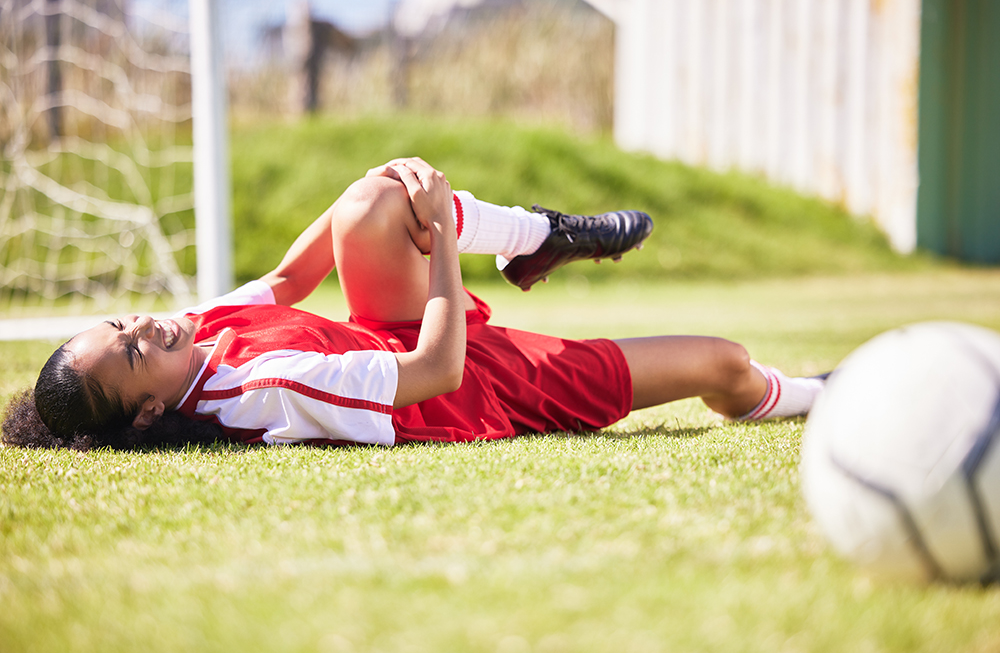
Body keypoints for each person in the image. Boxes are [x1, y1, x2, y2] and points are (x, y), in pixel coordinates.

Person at [1, 158, 824, 451]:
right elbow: (433, 371)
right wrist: (436, 234)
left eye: (121, 324)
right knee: (724, 361)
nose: (144, 326)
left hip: (387, 331)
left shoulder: (194, 332)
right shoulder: (263, 389)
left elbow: (288, 282)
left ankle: (538, 236)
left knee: (375, 200)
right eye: (135, 351)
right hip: (475, 386)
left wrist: (376, 187)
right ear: (149, 413)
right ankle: (819, 393)